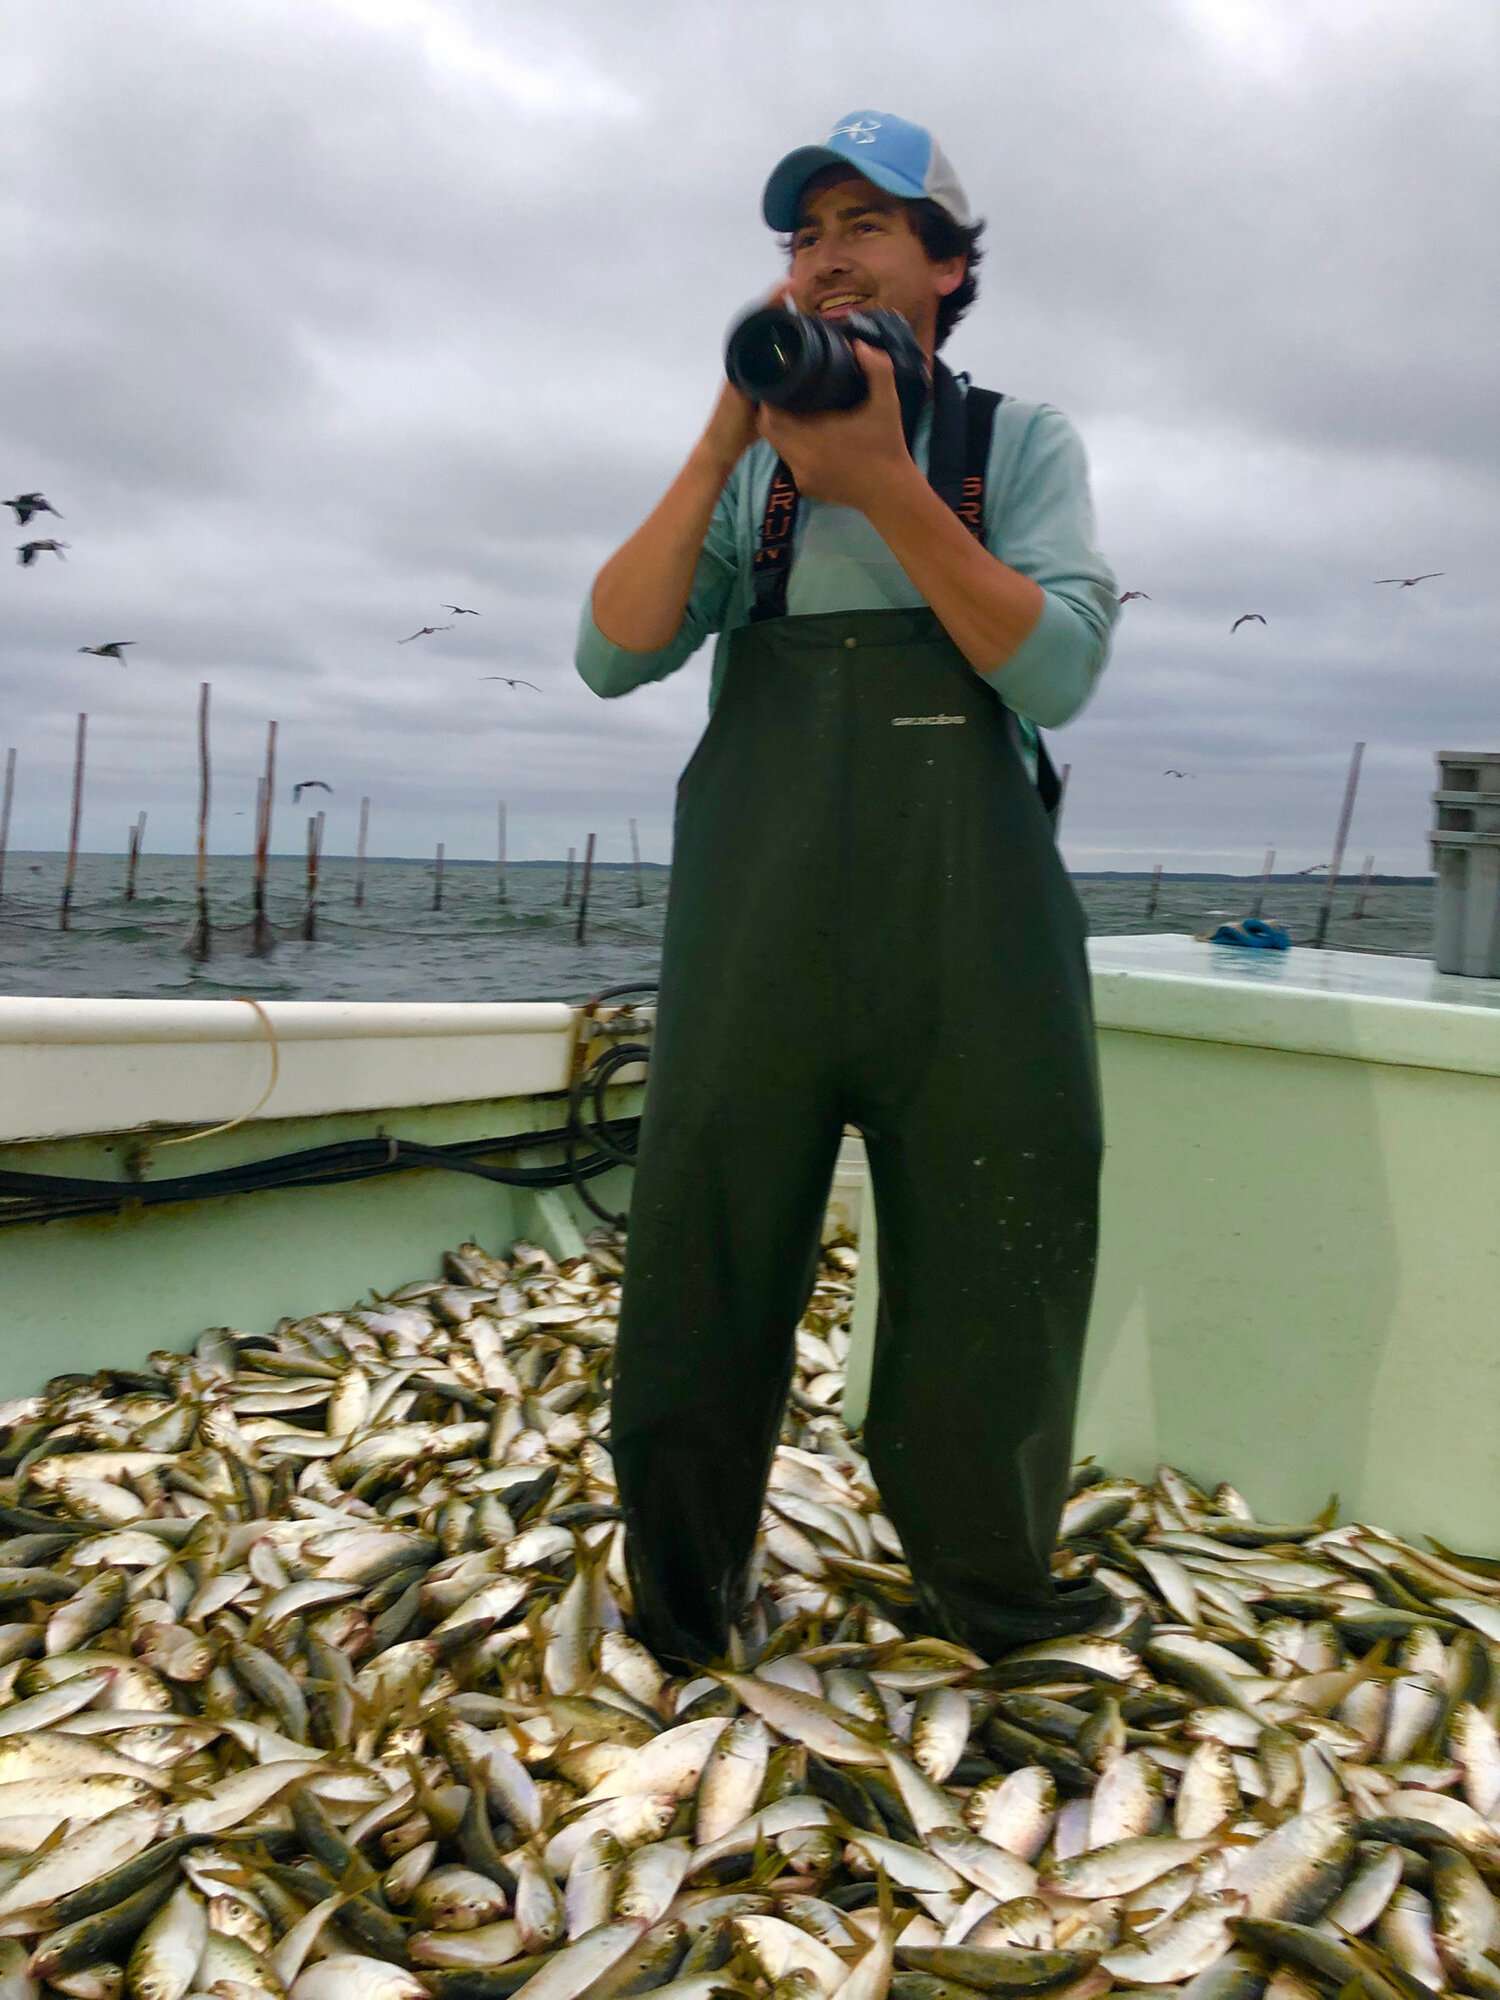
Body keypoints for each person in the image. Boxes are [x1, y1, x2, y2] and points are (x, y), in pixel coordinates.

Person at [576, 110, 1120, 1666]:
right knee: (705, 1250)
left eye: (867, 228)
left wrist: (884, 480)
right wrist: (722, 438)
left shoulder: (1018, 445)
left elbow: (1060, 671)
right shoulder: (758, 482)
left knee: (998, 1263)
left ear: (948, 268)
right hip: (762, 934)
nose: (827, 260)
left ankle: (991, 1596)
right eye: (804, 237)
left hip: (972, 938)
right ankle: (684, 1599)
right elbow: (612, 654)